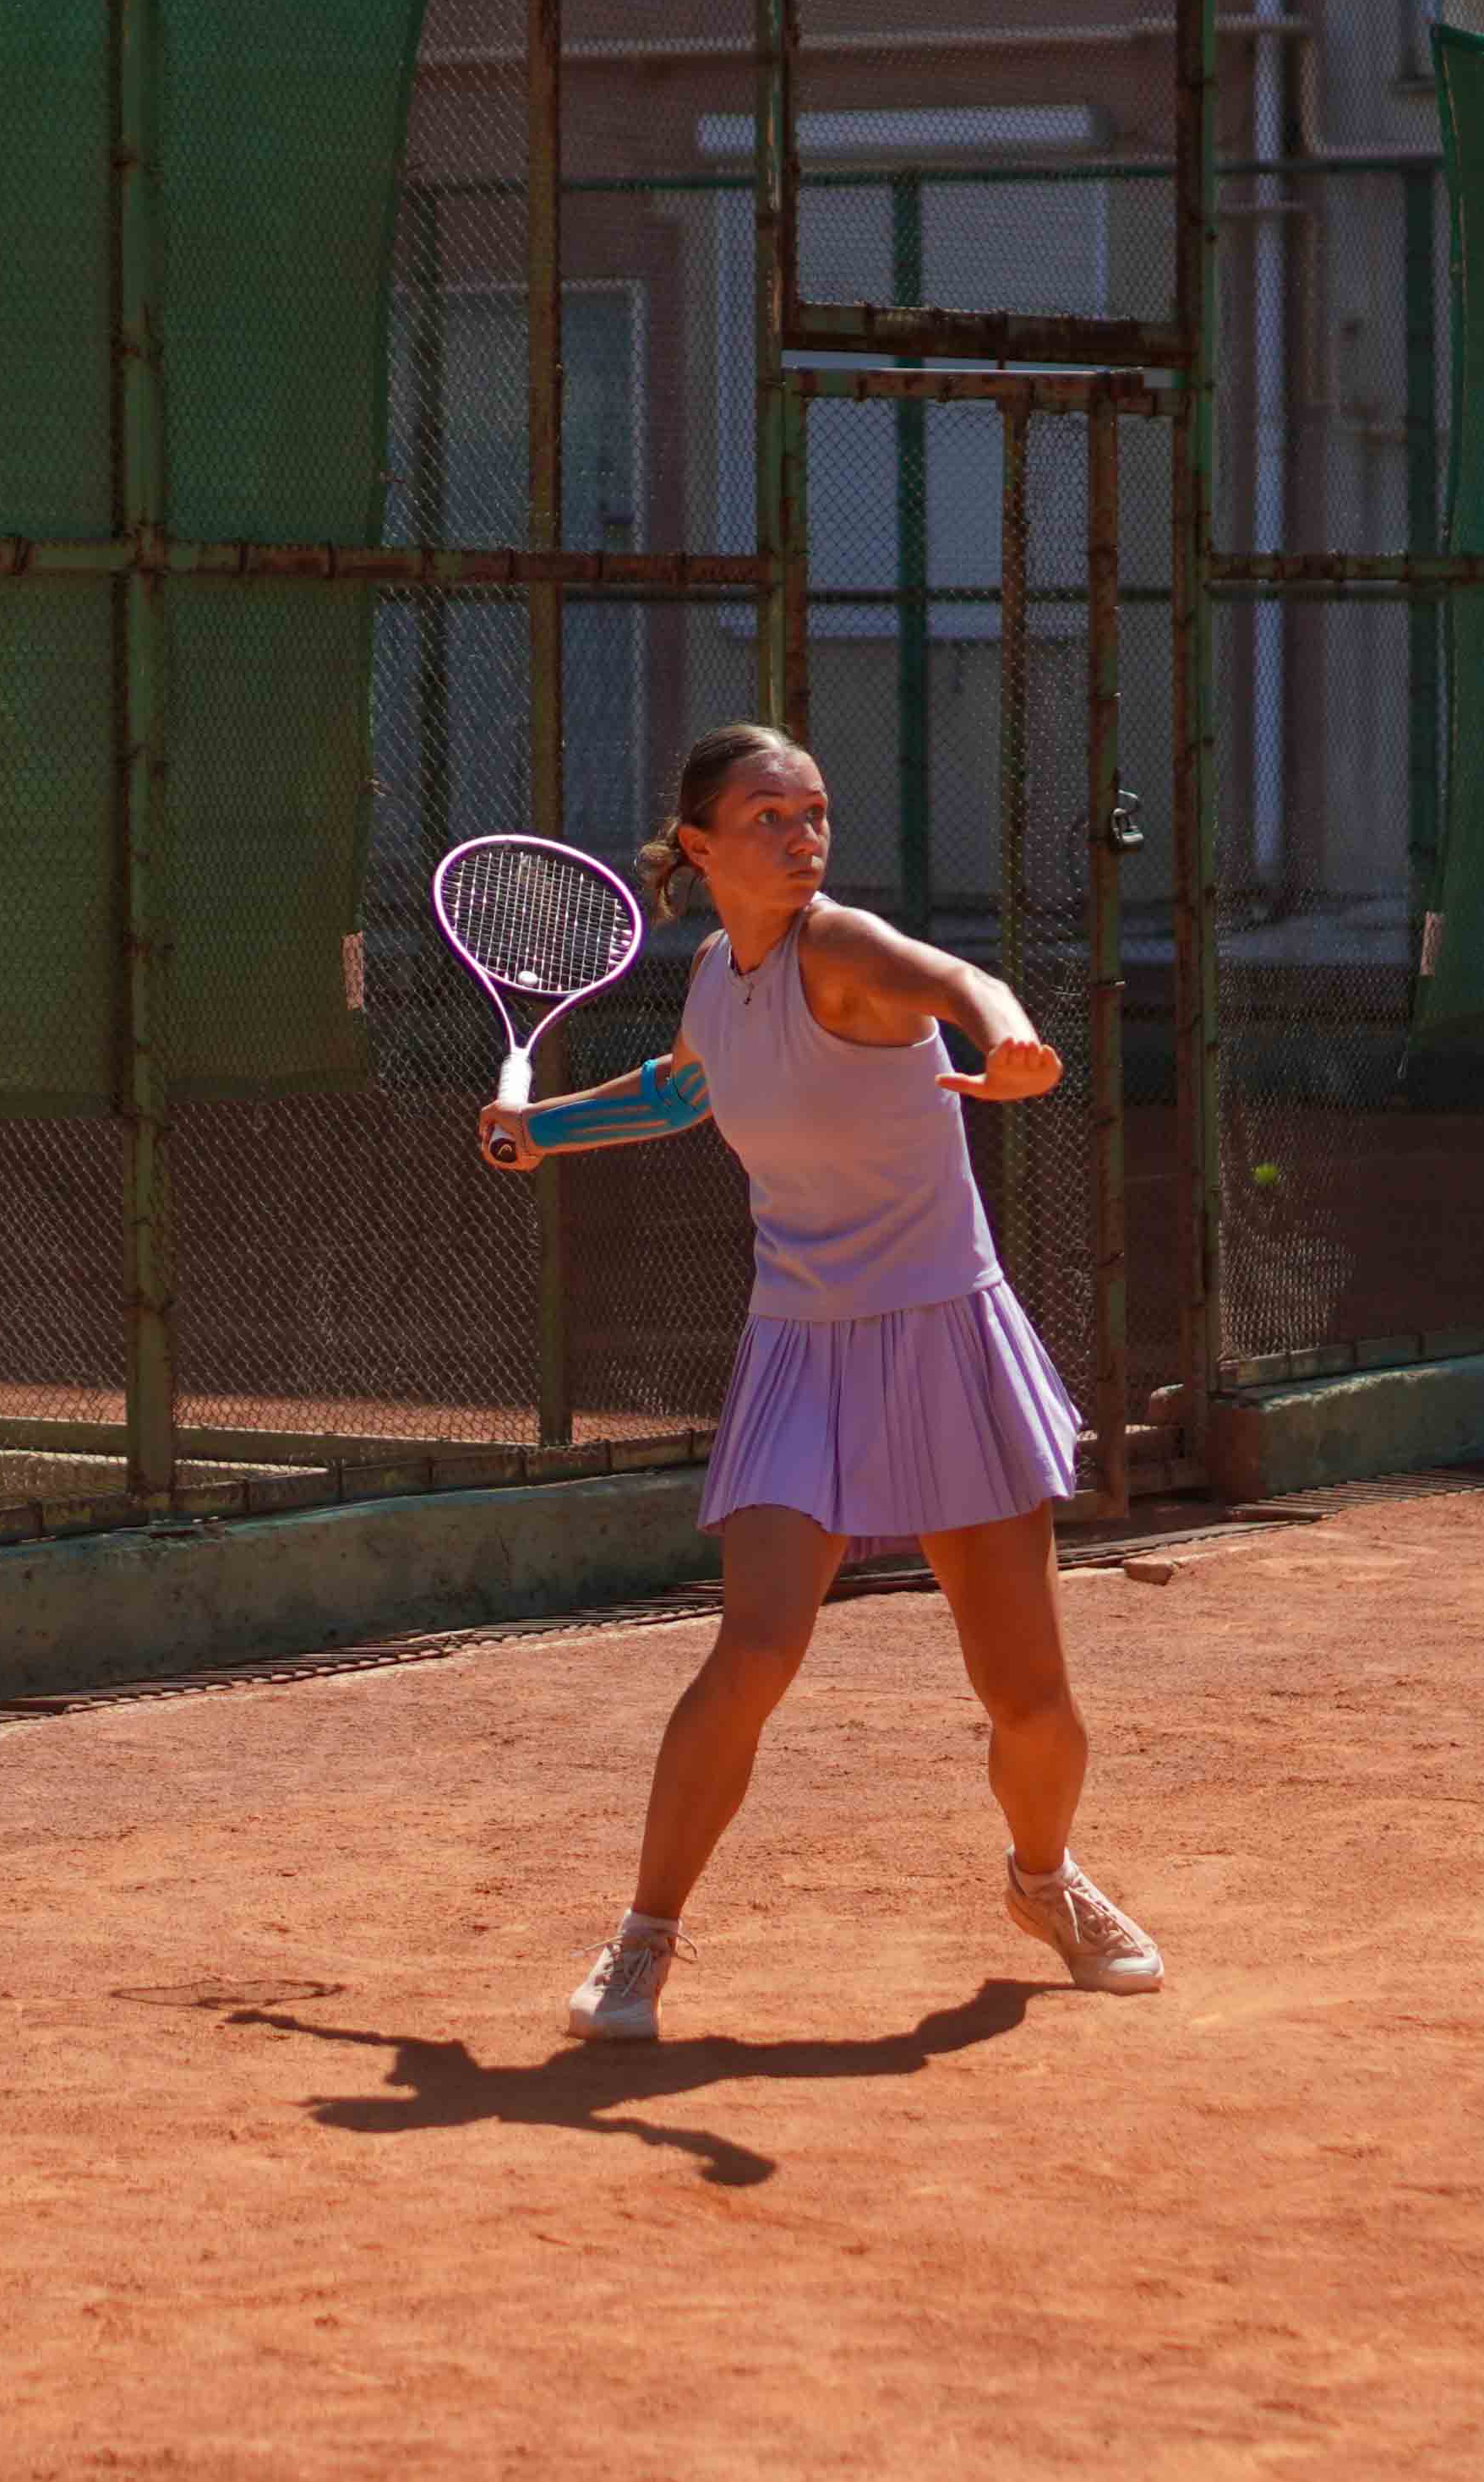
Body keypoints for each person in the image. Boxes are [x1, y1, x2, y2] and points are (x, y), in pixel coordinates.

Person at [477, 722, 1164, 2040]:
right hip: (799, 1345)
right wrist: (540, 1129)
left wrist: (1011, 1037)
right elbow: (682, 1091)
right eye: (769, 819)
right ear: (698, 847)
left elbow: (958, 978)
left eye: (815, 814)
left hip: (942, 1337)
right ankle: (643, 1939)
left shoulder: (839, 947)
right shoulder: (715, 976)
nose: (803, 839)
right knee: (751, 1651)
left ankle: (1045, 1881)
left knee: (1029, 1700)